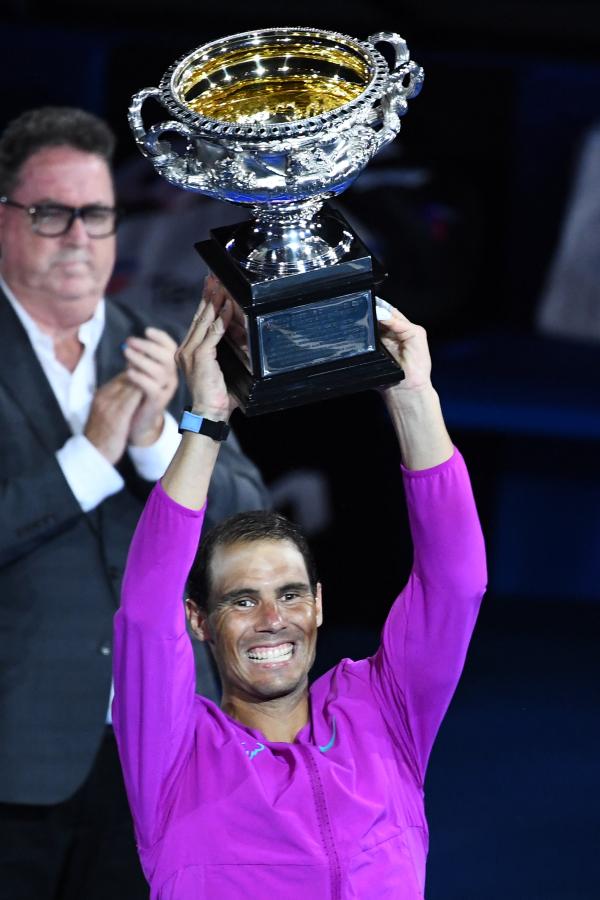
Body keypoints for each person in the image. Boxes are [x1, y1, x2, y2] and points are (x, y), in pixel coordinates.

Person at [112, 281, 488, 898]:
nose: (271, 618)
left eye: (290, 594)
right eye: (240, 599)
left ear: (318, 604)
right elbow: (146, 617)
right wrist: (205, 422)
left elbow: (456, 583)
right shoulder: (177, 754)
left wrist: (411, 393)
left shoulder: (381, 711)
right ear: (199, 619)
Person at [0, 106, 269, 900]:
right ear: (6, 219)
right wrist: (87, 459)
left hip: (158, 756)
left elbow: (247, 523)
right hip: (14, 759)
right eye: (51, 213)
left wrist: (159, 445)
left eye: (97, 214)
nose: (78, 236)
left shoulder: (166, 356)